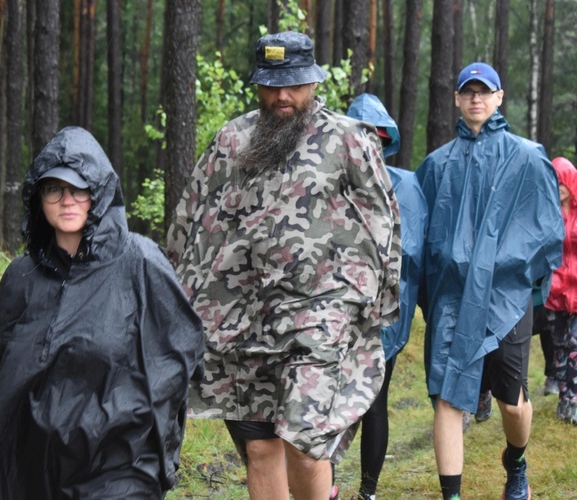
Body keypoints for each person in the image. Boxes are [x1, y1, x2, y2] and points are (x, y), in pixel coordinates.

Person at [167, 31, 401, 500]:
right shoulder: (232, 140)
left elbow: (385, 224)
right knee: (259, 449)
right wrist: (170, 294)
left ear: (313, 82)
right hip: (243, 321)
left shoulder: (348, 140)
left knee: (305, 442)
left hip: (321, 317)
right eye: (272, 85)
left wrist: (376, 302)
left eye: (292, 84)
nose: (282, 96)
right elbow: (190, 219)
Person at [0, 126, 205, 499]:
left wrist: (127, 419)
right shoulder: (21, 276)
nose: (67, 200)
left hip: (119, 463)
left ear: (99, 193)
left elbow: (182, 348)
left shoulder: (140, 261)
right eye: (54, 189)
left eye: (79, 188)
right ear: (39, 197)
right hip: (34, 464)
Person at [416, 62, 564, 500]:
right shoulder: (437, 165)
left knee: (511, 401)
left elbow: (545, 228)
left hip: (504, 299)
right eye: (468, 91)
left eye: (485, 91)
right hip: (452, 299)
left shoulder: (526, 156)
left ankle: (516, 462)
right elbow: (422, 235)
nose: (476, 98)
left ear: (499, 97)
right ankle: (452, 495)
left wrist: (512, 273)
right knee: (447, 395)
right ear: (457, 99)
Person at [346, 93, 427, 500]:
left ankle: (368, 490)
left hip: (386, 320)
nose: (369, 144)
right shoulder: (331, 180)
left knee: (375, 402)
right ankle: (318, 483)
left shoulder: (408, 187)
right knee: (326, 404)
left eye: (376, 137)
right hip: (336, 315)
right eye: (361, 135)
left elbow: (415, 253)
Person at [532, 156, 577, 426]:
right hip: (555, 292)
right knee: (559, 346)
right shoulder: (547, 211)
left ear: (570, 181)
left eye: (560, 182)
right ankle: (561, 399)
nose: (556, 187)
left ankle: (573, 401)